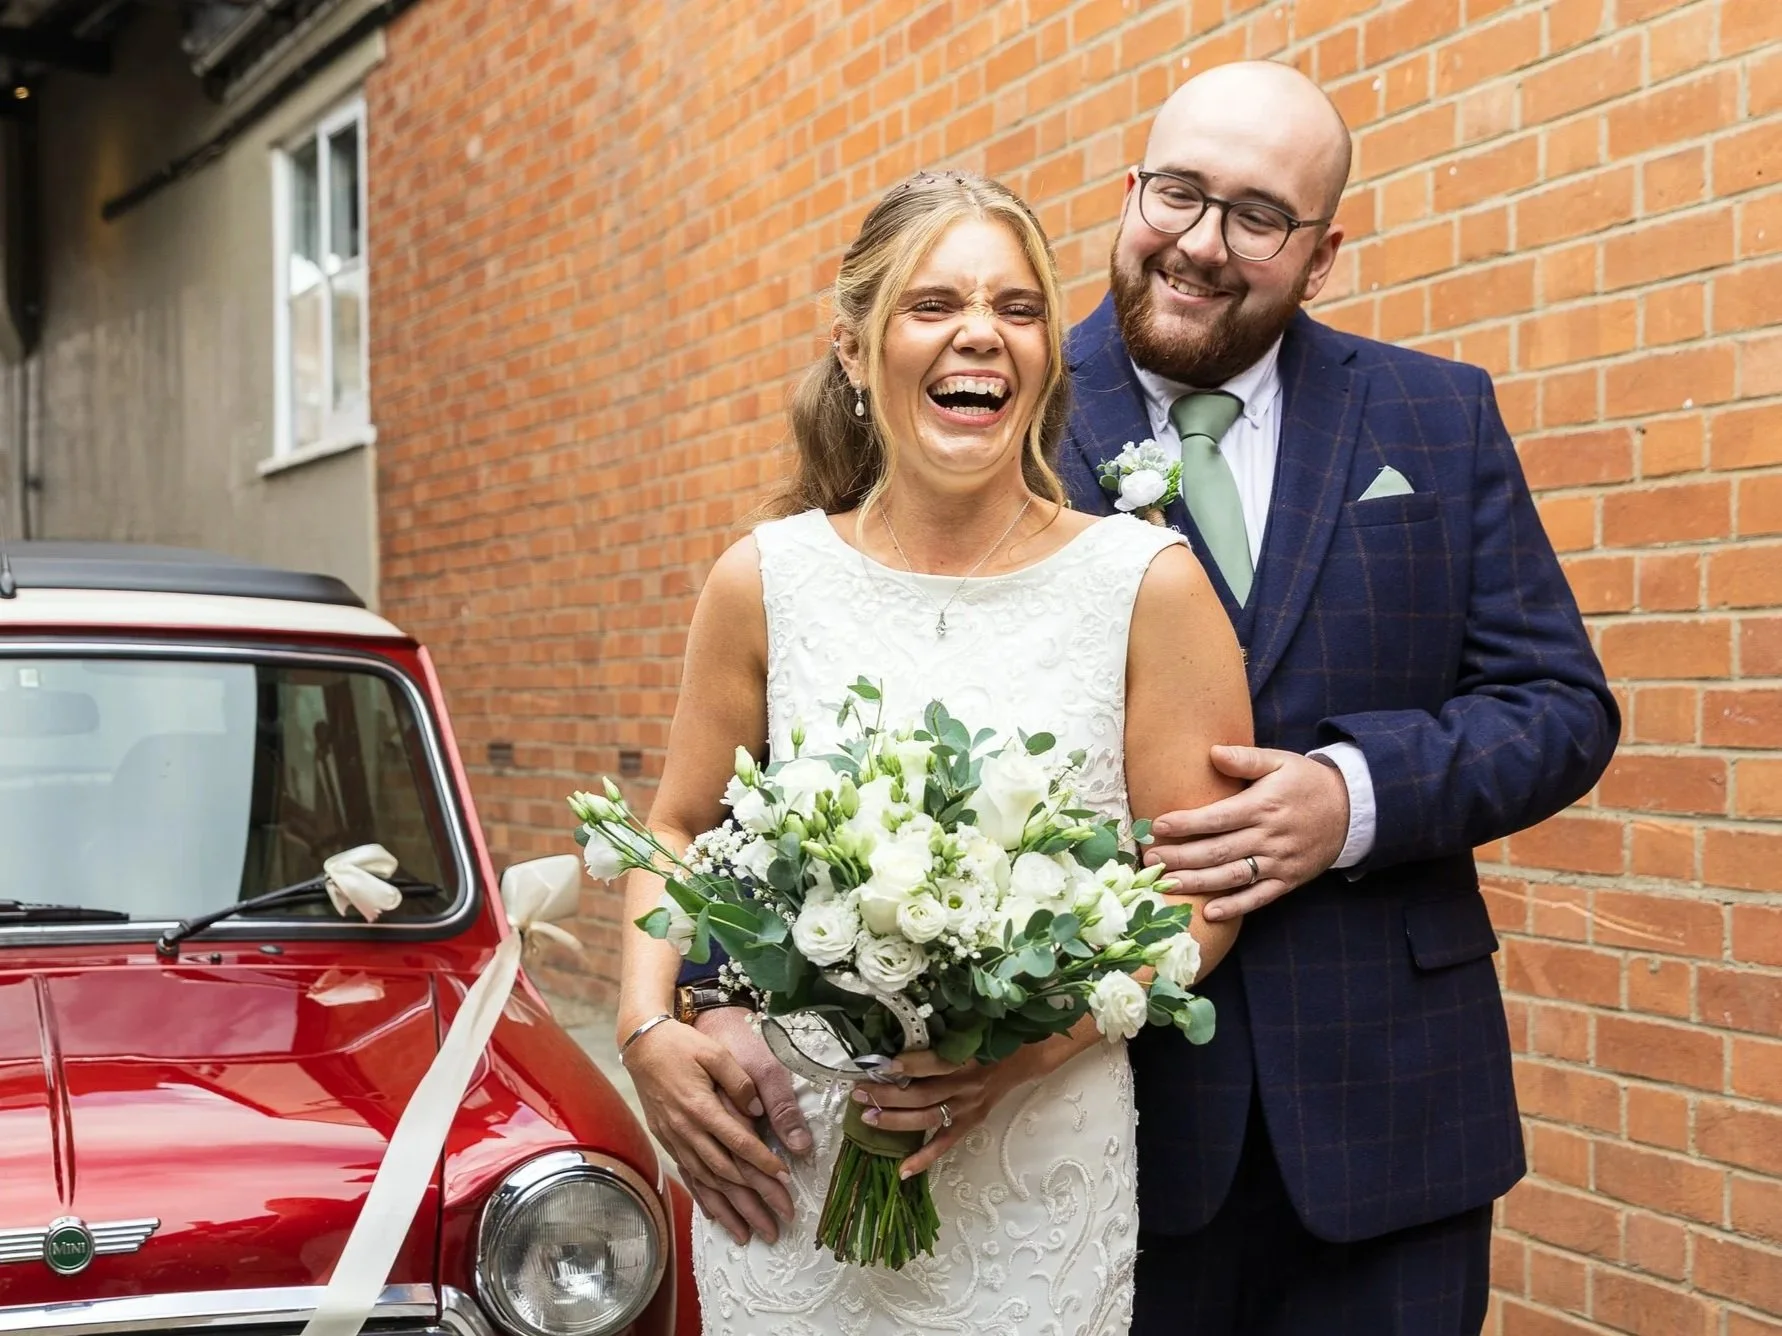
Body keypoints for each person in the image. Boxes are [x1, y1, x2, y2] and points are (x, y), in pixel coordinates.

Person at [612, 169, 1252, 1333]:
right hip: (789, 1173)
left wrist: (1026, 1046)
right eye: (933, 304)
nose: (981, 334)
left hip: (1034, 1172)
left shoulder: (1143, 587)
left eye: (1017, 309)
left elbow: (1199, 892)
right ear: (856, 352)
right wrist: (647, 1024)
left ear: (1050, 355)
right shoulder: (766, 579)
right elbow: (681, 825)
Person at [1057, 62, 1619, 1334]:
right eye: (1177, 193)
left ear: (1322, 257)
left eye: (1257, 216)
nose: (1201, 243)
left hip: (1396, 1126)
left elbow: (1561, 703)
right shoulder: (1002, 412)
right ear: (1128, 189)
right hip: (1089, 1125)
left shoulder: (1436, 414)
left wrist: (1354, 797)